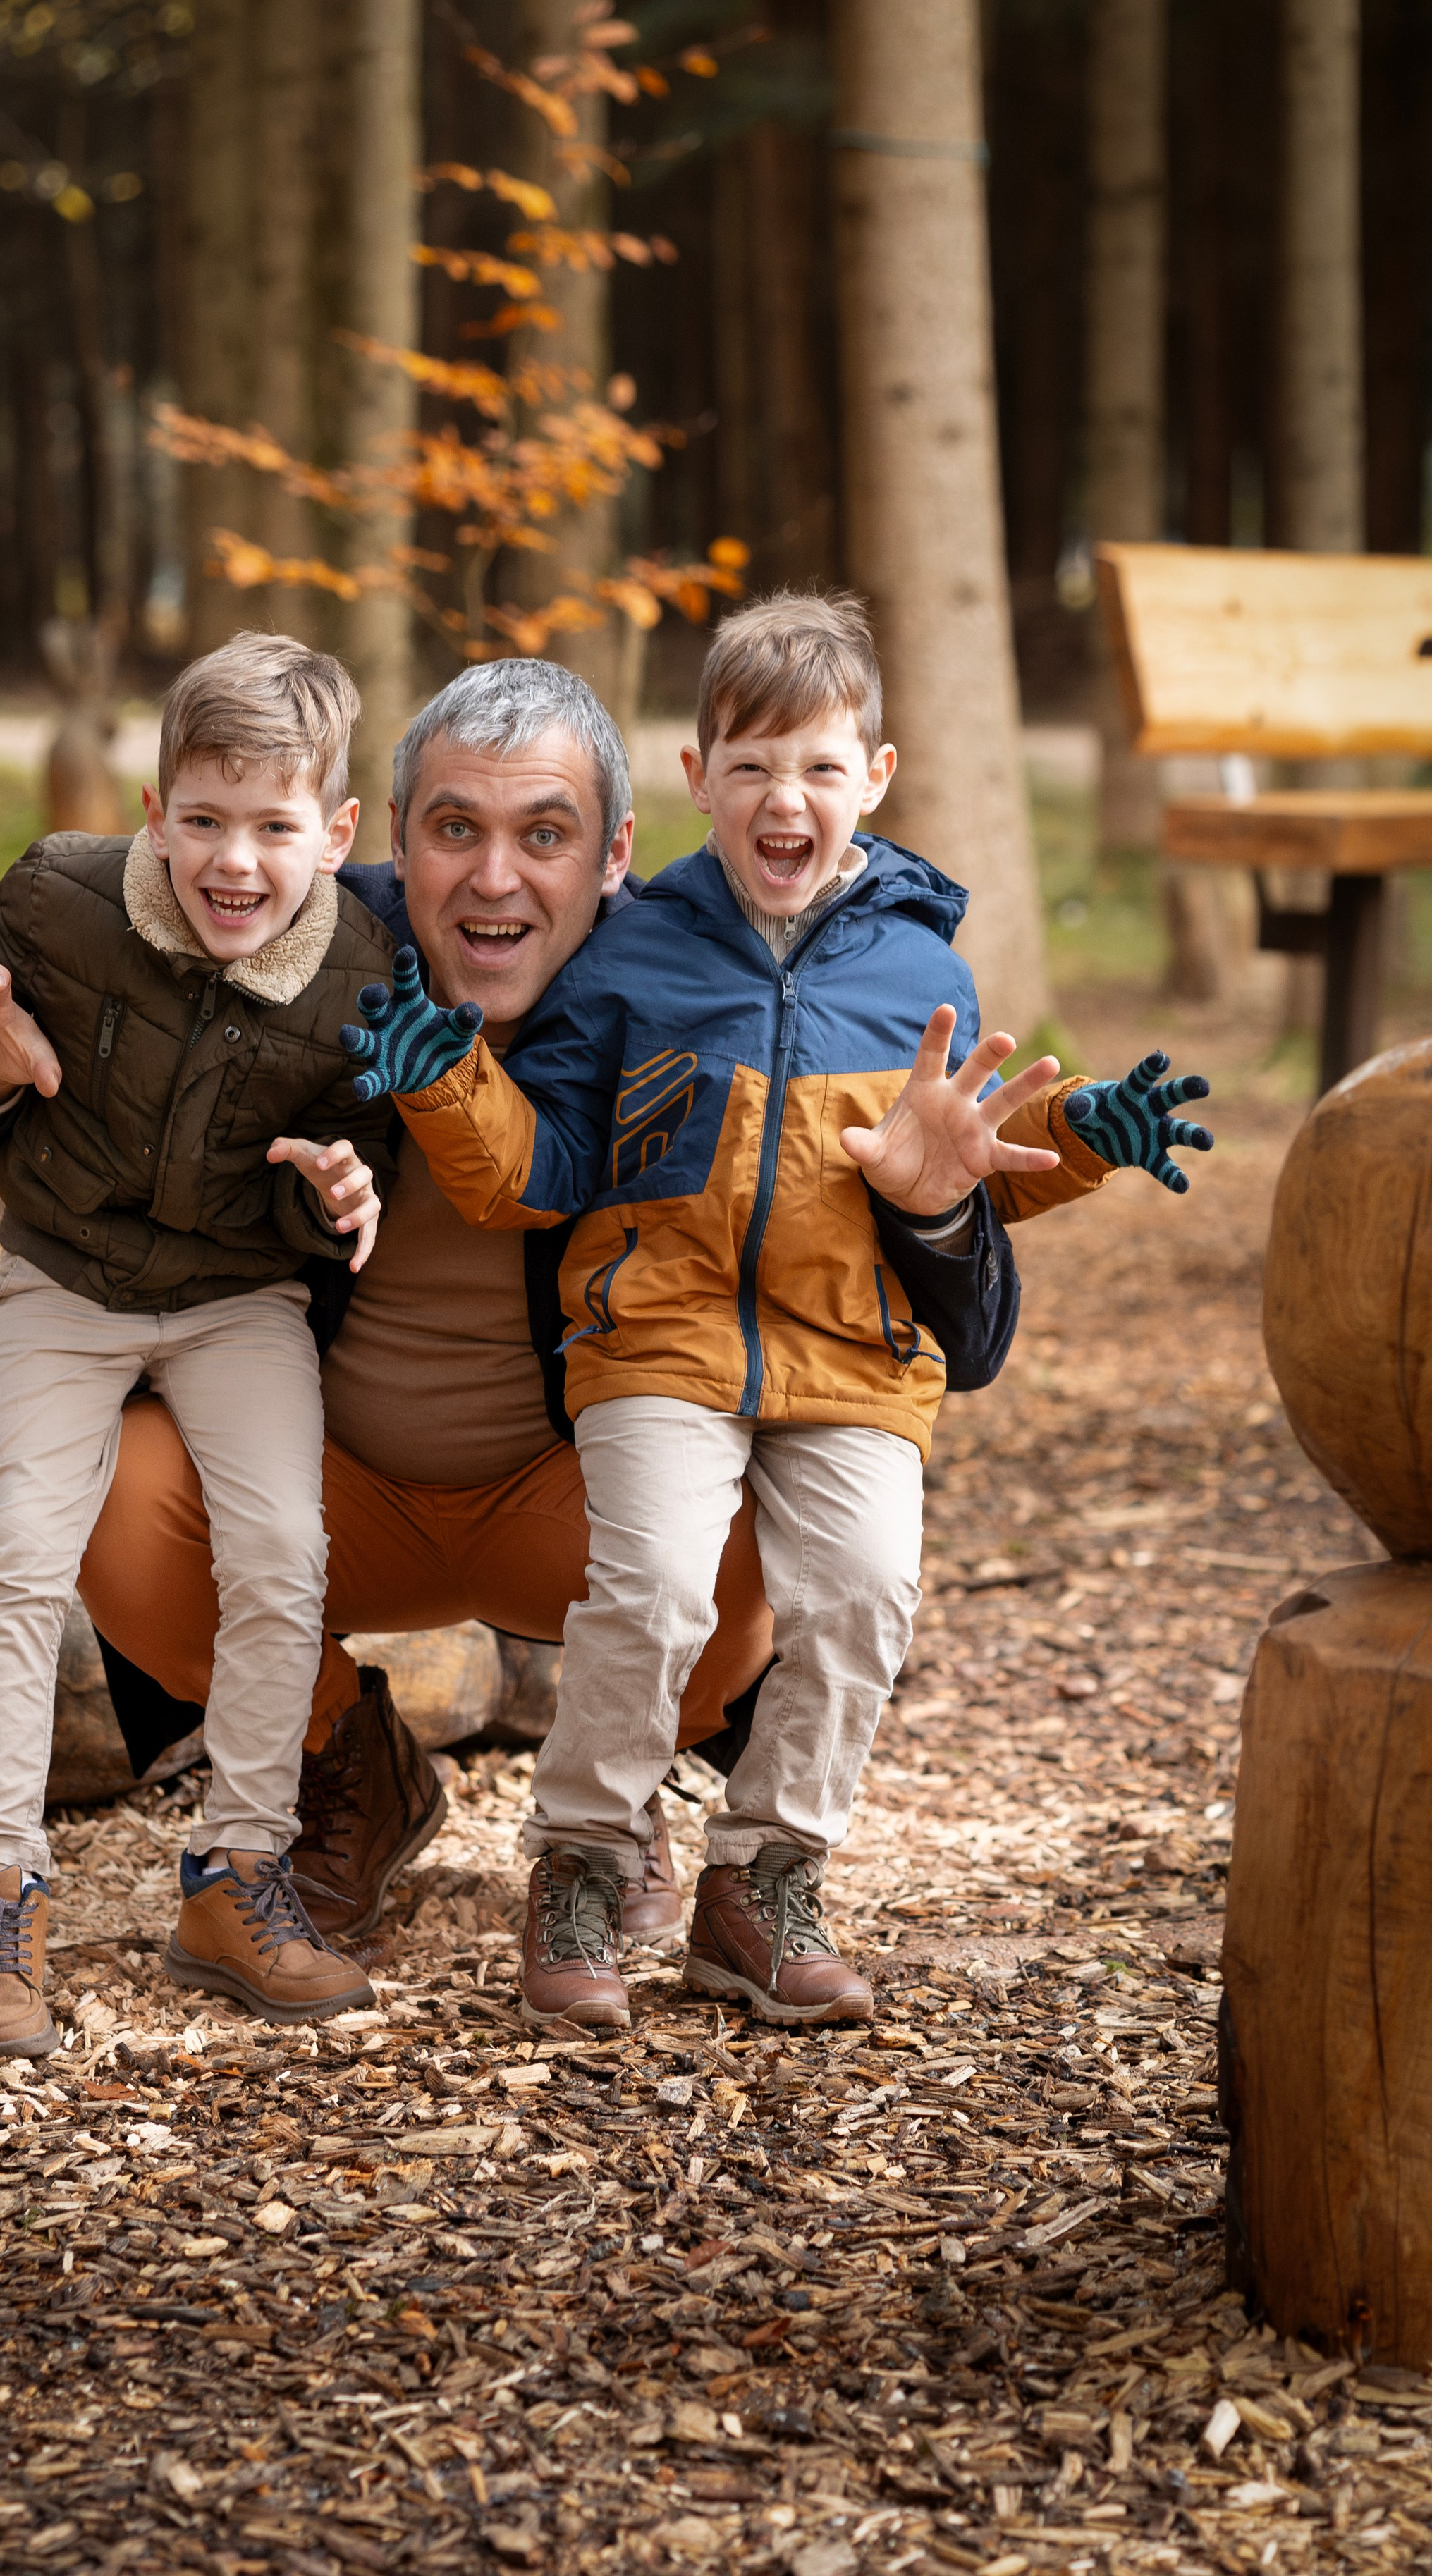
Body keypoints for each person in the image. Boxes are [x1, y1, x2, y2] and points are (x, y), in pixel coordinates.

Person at [0, 657, 1032, 1954]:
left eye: (544, 835)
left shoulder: (688, 1000)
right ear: (389, 838)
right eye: (456, 828)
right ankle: (347, 1761)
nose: (495, 879)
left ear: (617, 853)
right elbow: (95, 1019)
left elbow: (957, 1337)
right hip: (328, 1476)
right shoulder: (305, 951)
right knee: (118, 1508)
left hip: (572, 1493)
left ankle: (616, 1810)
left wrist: (933, 1212)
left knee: (747, 1545)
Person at [341, 592, 1213, 2030]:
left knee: (864, 1594)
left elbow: (960, 1168)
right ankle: (582, 1857)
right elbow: (542, 1167)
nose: (781, 798)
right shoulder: (633, 959)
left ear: (874, 774)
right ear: (696, 781)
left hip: (854, 1354)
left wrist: (1083, 1132)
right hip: (658, 1342)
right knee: (655, 1589)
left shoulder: (919, 970)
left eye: (815, 766)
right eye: (747, 767)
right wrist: (448, 1078)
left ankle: (760, 1880)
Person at [0, 633, 398, 2054]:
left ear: (334, 833)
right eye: (203, 818)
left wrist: (343, 1188)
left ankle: (235, 1869)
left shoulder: (359, 971)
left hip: (237, 1298)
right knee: (21, 1550)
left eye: (274, 826)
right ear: (154, 808)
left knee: (280, 1547)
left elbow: (359, 1145)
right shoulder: (66, 898)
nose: (234, 859)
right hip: (62, 1281)